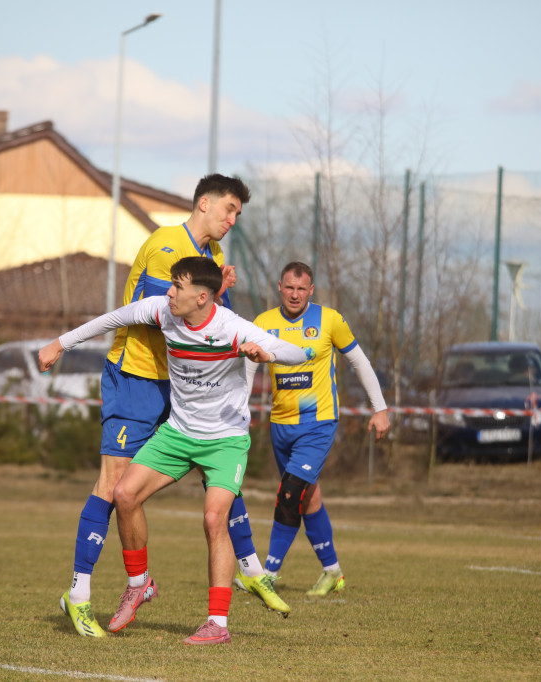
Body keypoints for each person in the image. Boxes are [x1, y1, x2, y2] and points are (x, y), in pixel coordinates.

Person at [56, 174, 287, 639]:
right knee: (115, 484)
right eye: (228, 209)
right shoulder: (166, 245)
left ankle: (248, 568)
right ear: (204, 203)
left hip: (181, 385)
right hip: (138, 376)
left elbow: (209, 318)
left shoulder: (214, 256)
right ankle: (78, 594)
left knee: (220, 475)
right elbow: (167, 308)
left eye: (238, 213)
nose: (232, 220)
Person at [247, 261, 390, 596]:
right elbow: (246, 369)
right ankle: (332, 571)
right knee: (307, 496)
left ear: (311, 291)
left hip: (318, 423)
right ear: (279, 287)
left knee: (289, 494)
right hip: (280, 424)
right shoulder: (263, 323)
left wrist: (380, 408)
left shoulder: (330, 320)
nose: (295, 294)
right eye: (289, 287)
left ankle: (268, 573)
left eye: (302, 289)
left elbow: (359, 361)